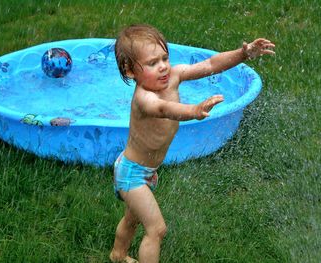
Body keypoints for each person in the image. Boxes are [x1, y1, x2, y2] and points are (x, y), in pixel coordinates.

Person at [110, 24, 275, 263]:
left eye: (164, 58)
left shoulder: (174, 76)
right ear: (130, 71)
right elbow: (165, 109)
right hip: (131, 175)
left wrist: (243, 53)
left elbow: (209, 65)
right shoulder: (144, 98)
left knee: (132, 219)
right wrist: (194, 110)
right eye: (152, 63)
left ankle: (117, 255)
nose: (163, 66)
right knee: (156, 229)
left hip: (146, 171)